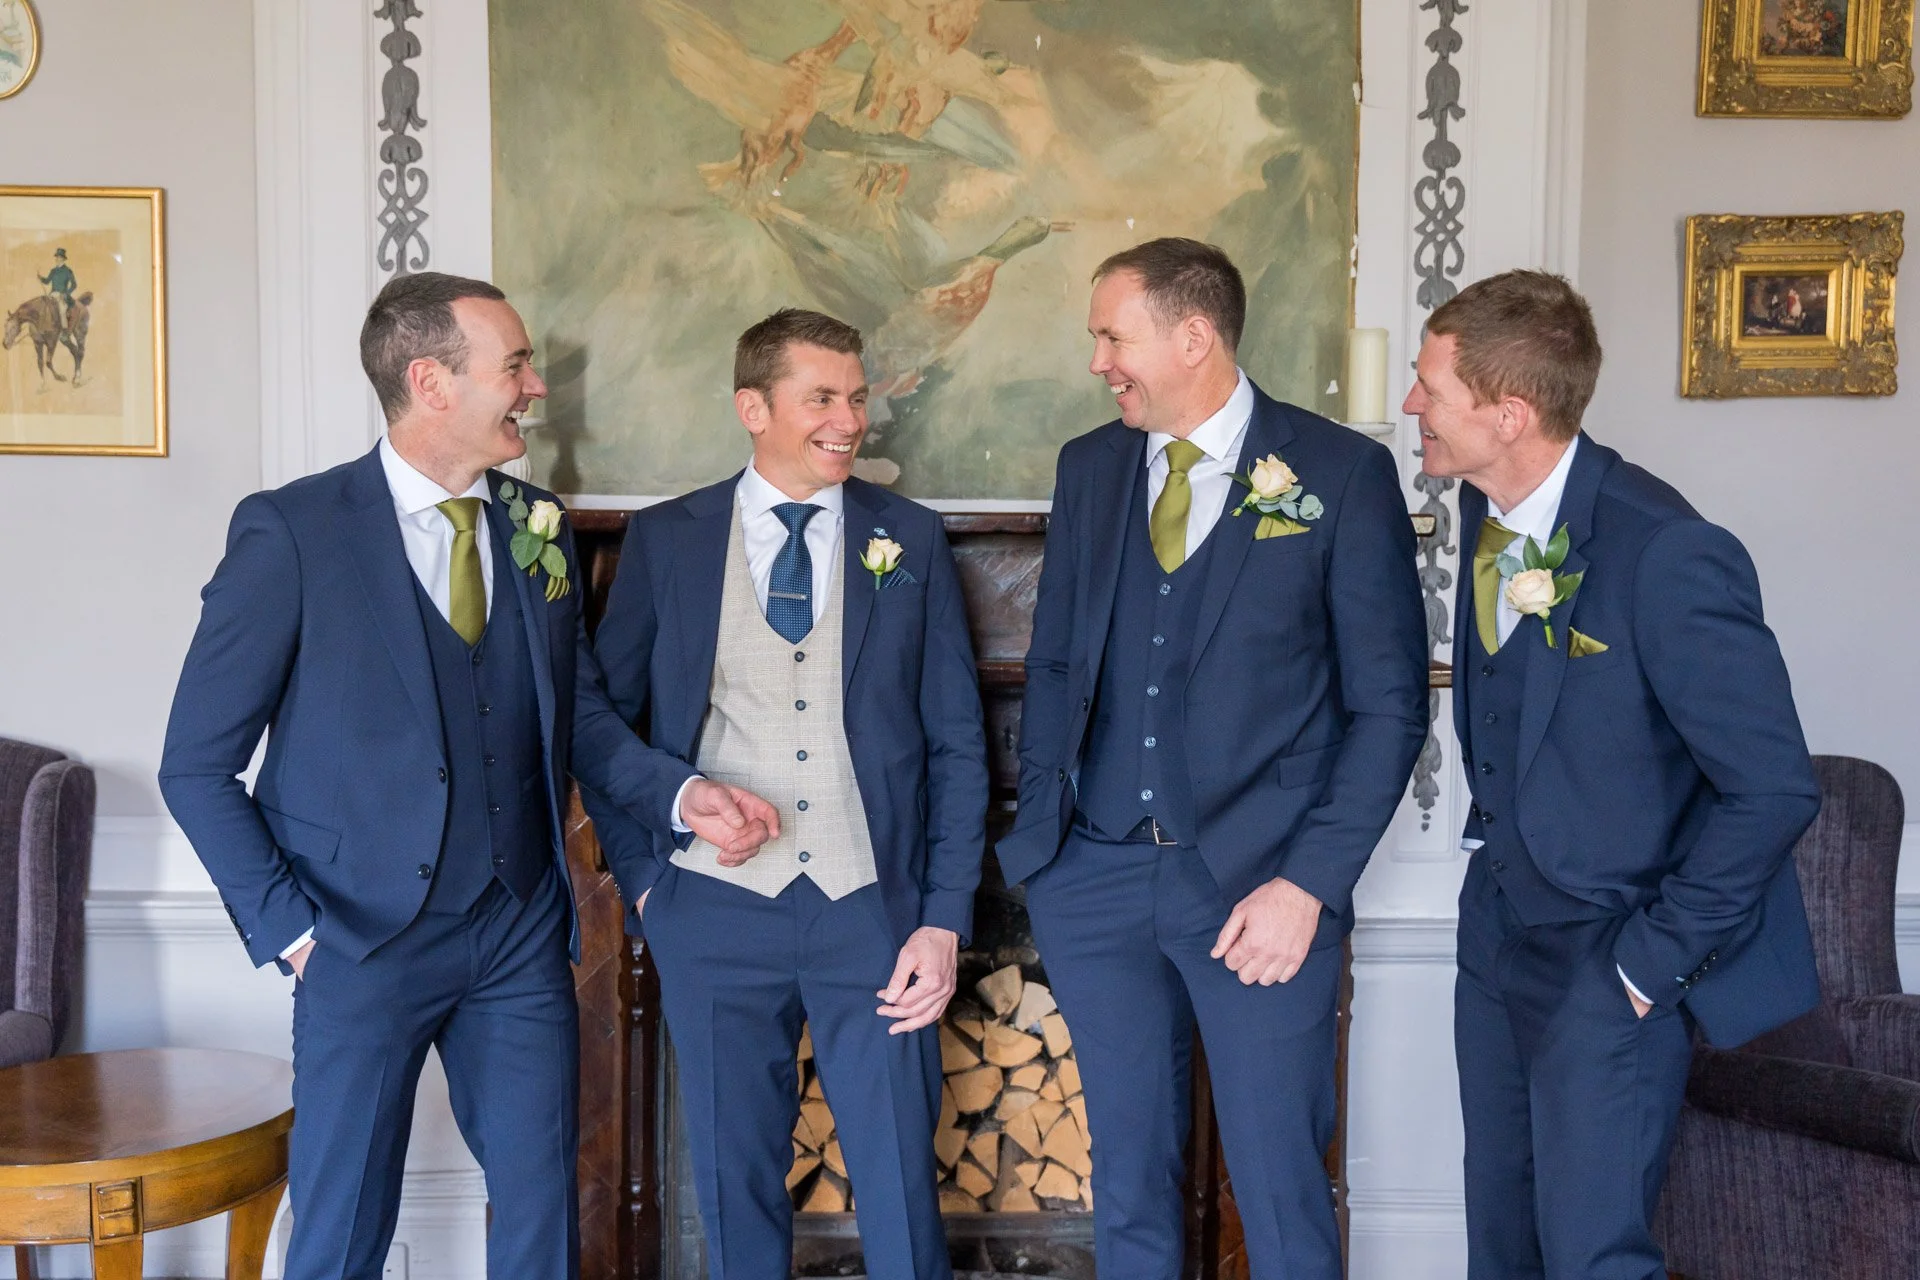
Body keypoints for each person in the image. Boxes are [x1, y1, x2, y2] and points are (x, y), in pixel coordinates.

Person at [159, 271, 777, 1279]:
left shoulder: (539, 526)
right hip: (357, 936)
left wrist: (679, 793)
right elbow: (194, 765)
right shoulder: (293, 532)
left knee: (542, 1213)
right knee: (340, 1232)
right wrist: (298, 936)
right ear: (430, 382)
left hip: (517, 931)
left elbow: (576, 714)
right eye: (516, 366)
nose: (535, 388)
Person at [998, 238, 1429, 1279]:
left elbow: (1388, 707)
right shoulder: (1091, 466)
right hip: (1094, 877)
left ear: (1193, 336)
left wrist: (1308, 885)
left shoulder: (1340, 472)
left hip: (1260, 888)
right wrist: (1048, 848)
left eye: (1113, 337)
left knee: (1279, 1187)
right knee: (1127, 1183)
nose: (1098, 361)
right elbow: (1054, 665)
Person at [1404, 268, 1821, 1279]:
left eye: (1431, 387)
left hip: (1610, 951)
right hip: (1497, 933)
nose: (1412, 404)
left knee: (1594, 1257)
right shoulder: (1490, 512)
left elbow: (1774, 788)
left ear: (1509, 414)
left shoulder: (1668, 550)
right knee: (1502, 1244)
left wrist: (1644, 968)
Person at [582, 308, 988, 1279]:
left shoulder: (909, 537)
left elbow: (957, 744)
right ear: (753, 408)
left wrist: (941, 917)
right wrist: (650, 883)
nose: (849, 420)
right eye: (823, 398)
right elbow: (599, 724)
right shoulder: (668, 539)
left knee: (899, 1183)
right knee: (733, 1184)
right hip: (712, 909)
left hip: (872, 911)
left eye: (857, 398)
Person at [38, 247, 74, 313]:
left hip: (62, 296)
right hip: (52, 295)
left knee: (62, 311)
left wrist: (66, 294)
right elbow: (47, 281)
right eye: (56, 257)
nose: (57, 259)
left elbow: (74, 285)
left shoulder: (68, 271)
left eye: (59, 257)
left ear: (63, 259)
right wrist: (41, 278)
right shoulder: (53, 271)